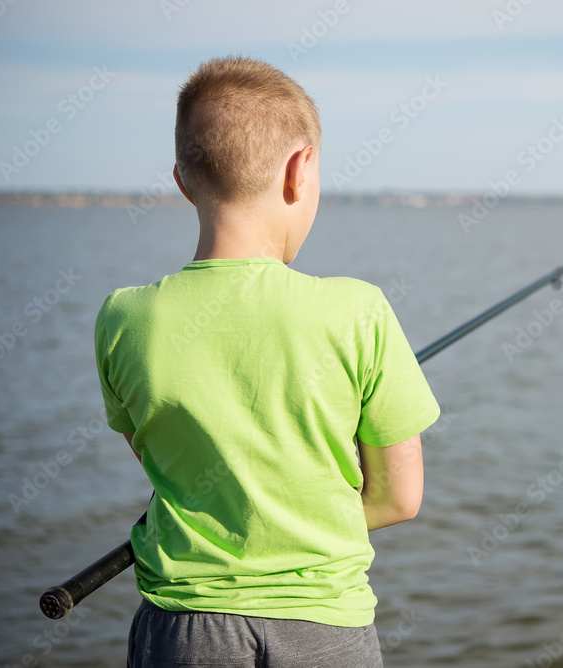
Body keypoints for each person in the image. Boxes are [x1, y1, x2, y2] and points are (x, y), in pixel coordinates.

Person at [93, 55, 441, 668]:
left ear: (181, 179)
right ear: (299, 170)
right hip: (326, 629)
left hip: (184, 631)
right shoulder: (358, 310)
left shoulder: (124, 318)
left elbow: (161, 458)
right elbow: (400, 498)